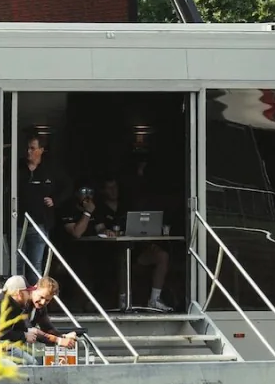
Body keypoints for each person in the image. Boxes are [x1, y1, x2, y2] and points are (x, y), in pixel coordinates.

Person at [64, 177, 172, 312]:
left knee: (162, 255)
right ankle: (123, 303)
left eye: (115, 187)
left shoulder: (126, 205)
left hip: (133, 248)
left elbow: (102, 228)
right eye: (84, 192)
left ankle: (154, 300)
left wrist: (106, 231)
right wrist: (90, 214)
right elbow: (79, 232)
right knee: (121, 258)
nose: (113, 191)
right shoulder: (90, 208)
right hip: (101, 252)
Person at [17, 135, 63, 283]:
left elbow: (67, 186)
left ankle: (37, 297)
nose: (28, 151)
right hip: (18, 224)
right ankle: (18, 296)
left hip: (40, 224)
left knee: (35, 266)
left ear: (41, 150)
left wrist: (55, 199)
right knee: (17, 266)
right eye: (27, 148)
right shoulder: (17, 167)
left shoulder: (50, 169)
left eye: (33, 148)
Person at [25, 276, 78, 352]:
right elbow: (29, 330)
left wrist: (63, 337)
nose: (43, 302)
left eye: (47, 300)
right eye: (41, 297)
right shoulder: (23, 302)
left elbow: (48, 328)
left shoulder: (41, 307)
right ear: (35, 288)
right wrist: (59, 340)